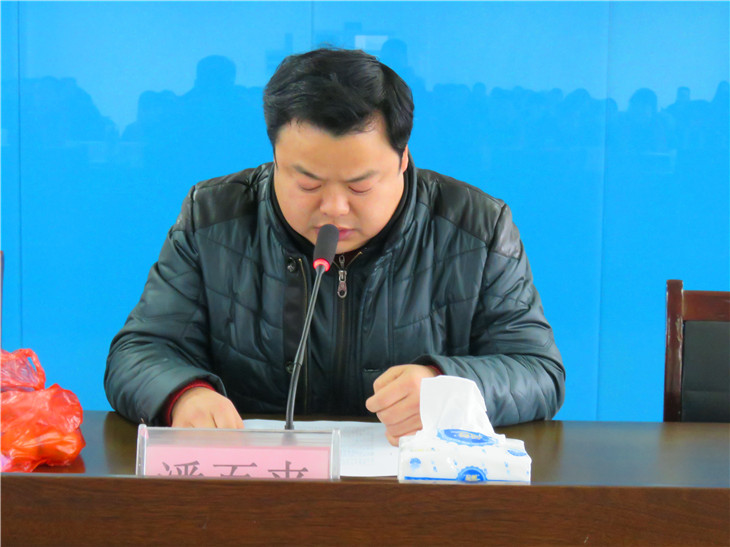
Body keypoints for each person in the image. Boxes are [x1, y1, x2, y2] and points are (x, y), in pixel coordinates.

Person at [105, 48, 564, 446]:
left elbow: (538, 373)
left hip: (416, 492)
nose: (334, 209)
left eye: (360, 186)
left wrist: (444, 386)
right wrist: (183, 395)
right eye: (308, 184)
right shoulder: (212, 218)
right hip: (256, 487)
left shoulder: (477, 228)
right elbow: (138, 351)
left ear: (402, 160)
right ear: (275, 159)